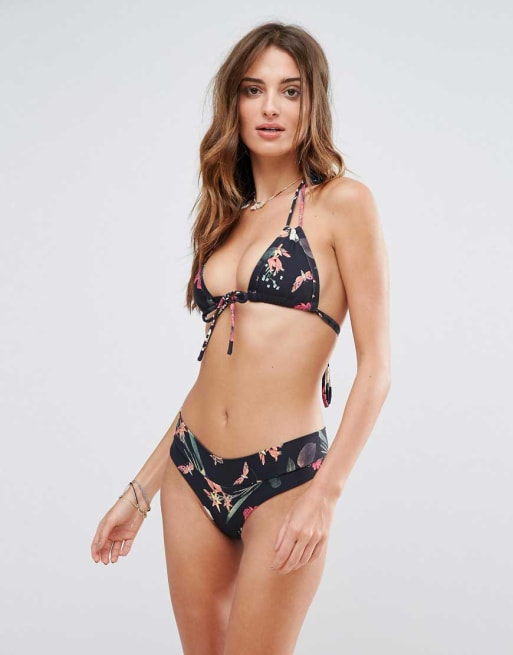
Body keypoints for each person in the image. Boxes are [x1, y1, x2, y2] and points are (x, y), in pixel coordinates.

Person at [91, 21, 390, 655]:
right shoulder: (225, 218)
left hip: (286, 476)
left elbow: (377, 368)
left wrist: (326, 495)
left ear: (313, 103)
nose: (271, 107)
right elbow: (214, 376)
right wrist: (141, 492)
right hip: (191, 470)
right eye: (254, 90)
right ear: (235, 103)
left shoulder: (343, 203)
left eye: (290, 90)